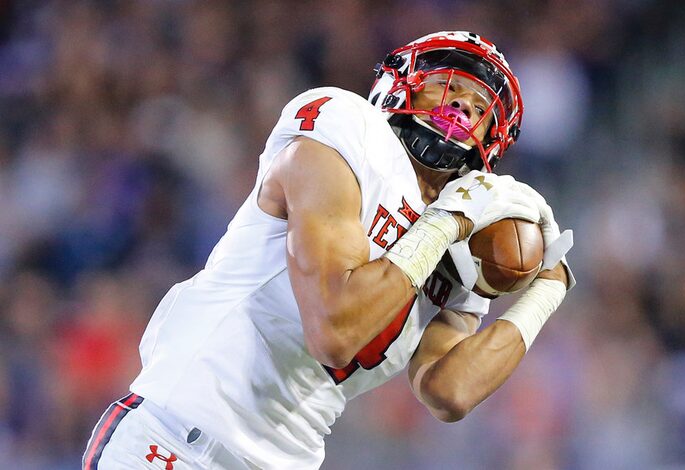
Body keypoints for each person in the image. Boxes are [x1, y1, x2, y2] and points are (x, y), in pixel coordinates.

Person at [82, 31, 574, 470]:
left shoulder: (464, 238)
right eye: (449, 85)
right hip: (181, 437)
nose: (462, 108)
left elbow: (451, 392)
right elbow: (334, 329)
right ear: (401, 82)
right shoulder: (349, 131)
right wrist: (445, 222)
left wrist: (545, 292)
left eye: (480, 105)